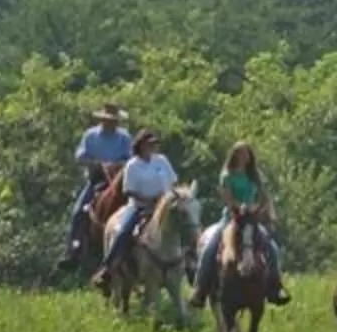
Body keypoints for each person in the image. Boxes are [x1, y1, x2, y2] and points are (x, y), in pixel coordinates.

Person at [194, 141, 288, 305]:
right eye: (240, 154)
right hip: (232, 217)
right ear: (234, 155)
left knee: (271, 248)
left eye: (246, 154)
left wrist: (265, 210)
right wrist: (241, 207)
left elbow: (265, 196)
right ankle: (200, 289)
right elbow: (228, 199)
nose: (244, 157)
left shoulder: (255, 174)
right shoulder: (227, 175)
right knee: (210, 248)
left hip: (251, 218)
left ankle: (275, 286)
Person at [94, 130, 177, 285]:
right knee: (123, 230)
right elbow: (128, 190)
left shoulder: (162, 161)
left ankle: (190, 264)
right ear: (140, 145)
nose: (152, 147)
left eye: (154, 144)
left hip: (164, 206)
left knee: (184, 224)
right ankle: (107, 268)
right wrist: (148, 199)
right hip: (139, 206)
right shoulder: (132, 165)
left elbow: (172, 181)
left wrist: (168, 198)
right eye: (149, 143)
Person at [69, 104, 132, 254]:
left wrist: (116, 164)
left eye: (115, 121)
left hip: (118, 179)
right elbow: (80, 156)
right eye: (109, 120)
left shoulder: (124, 137)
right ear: (102, 120)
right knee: (79, 211)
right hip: (96, 178)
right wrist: (94, 163)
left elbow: (130, 159)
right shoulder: (90, 135)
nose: (113, 123)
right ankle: (74, 247)